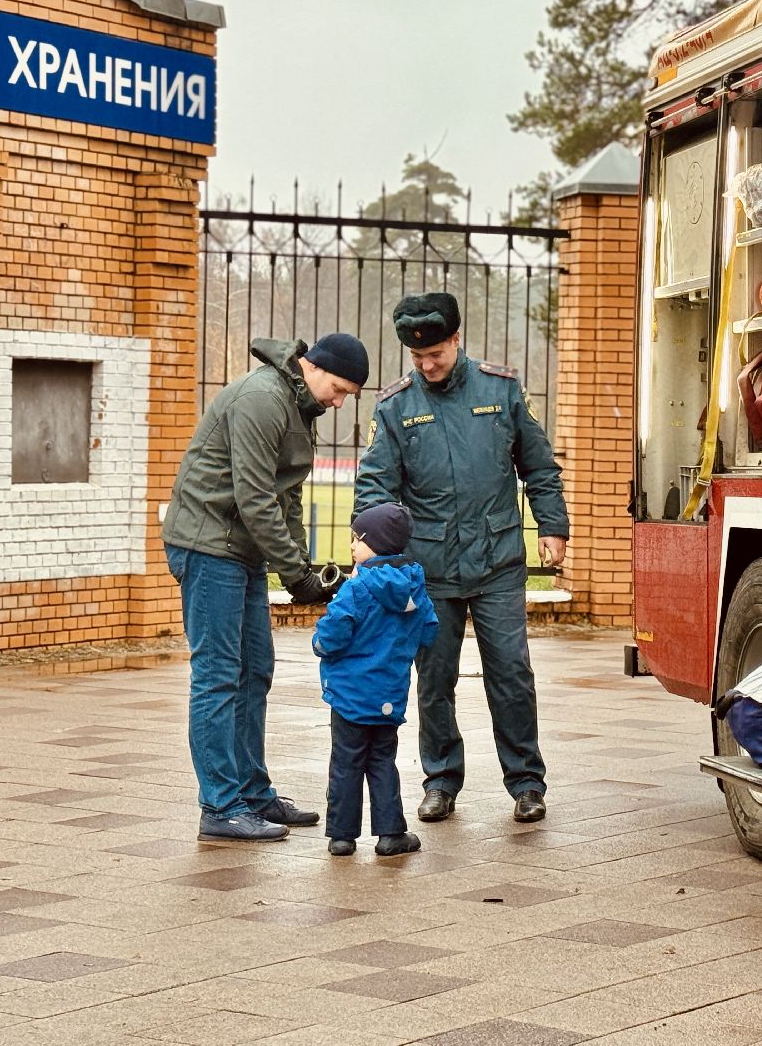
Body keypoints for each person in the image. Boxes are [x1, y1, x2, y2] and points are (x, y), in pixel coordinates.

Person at [354, 292, 568, 824]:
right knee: (434, 680)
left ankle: (526, 783)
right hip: (428, 569)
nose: (427, 365)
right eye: (416, 357)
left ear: (456, 340)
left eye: (436, 354)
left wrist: (553, 526)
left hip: (496, 560)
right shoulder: (396, 406)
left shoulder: (502, 390)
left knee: (512, 674)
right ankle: (441, 780)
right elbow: (375, 487)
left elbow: (538, 466)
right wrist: (377, 551)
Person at [163, 333, 368, 842]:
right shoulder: (262, 400)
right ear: (311, 367)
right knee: (217, 675)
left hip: (241, 548)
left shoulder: (299, 406)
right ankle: (221, 806)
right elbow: (254, 497)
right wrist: (295, 573)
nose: (338, 402)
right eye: (338, 389)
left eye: (348, 396)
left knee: (255, 670)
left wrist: (298, 567)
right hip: (208, 544)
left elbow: (288, 497)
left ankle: (252, 793)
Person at [313, 502, 438, 857]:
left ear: (376, 544)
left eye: (358, 540)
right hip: (389, 695)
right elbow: (429, 632)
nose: (353, 547)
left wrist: (319, 643)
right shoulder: (415, 586)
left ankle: (341, 836)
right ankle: (390, 834)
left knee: (346, 762)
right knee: (383, 761)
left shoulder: (357, 588)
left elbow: (333, 634)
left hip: (350, 696)